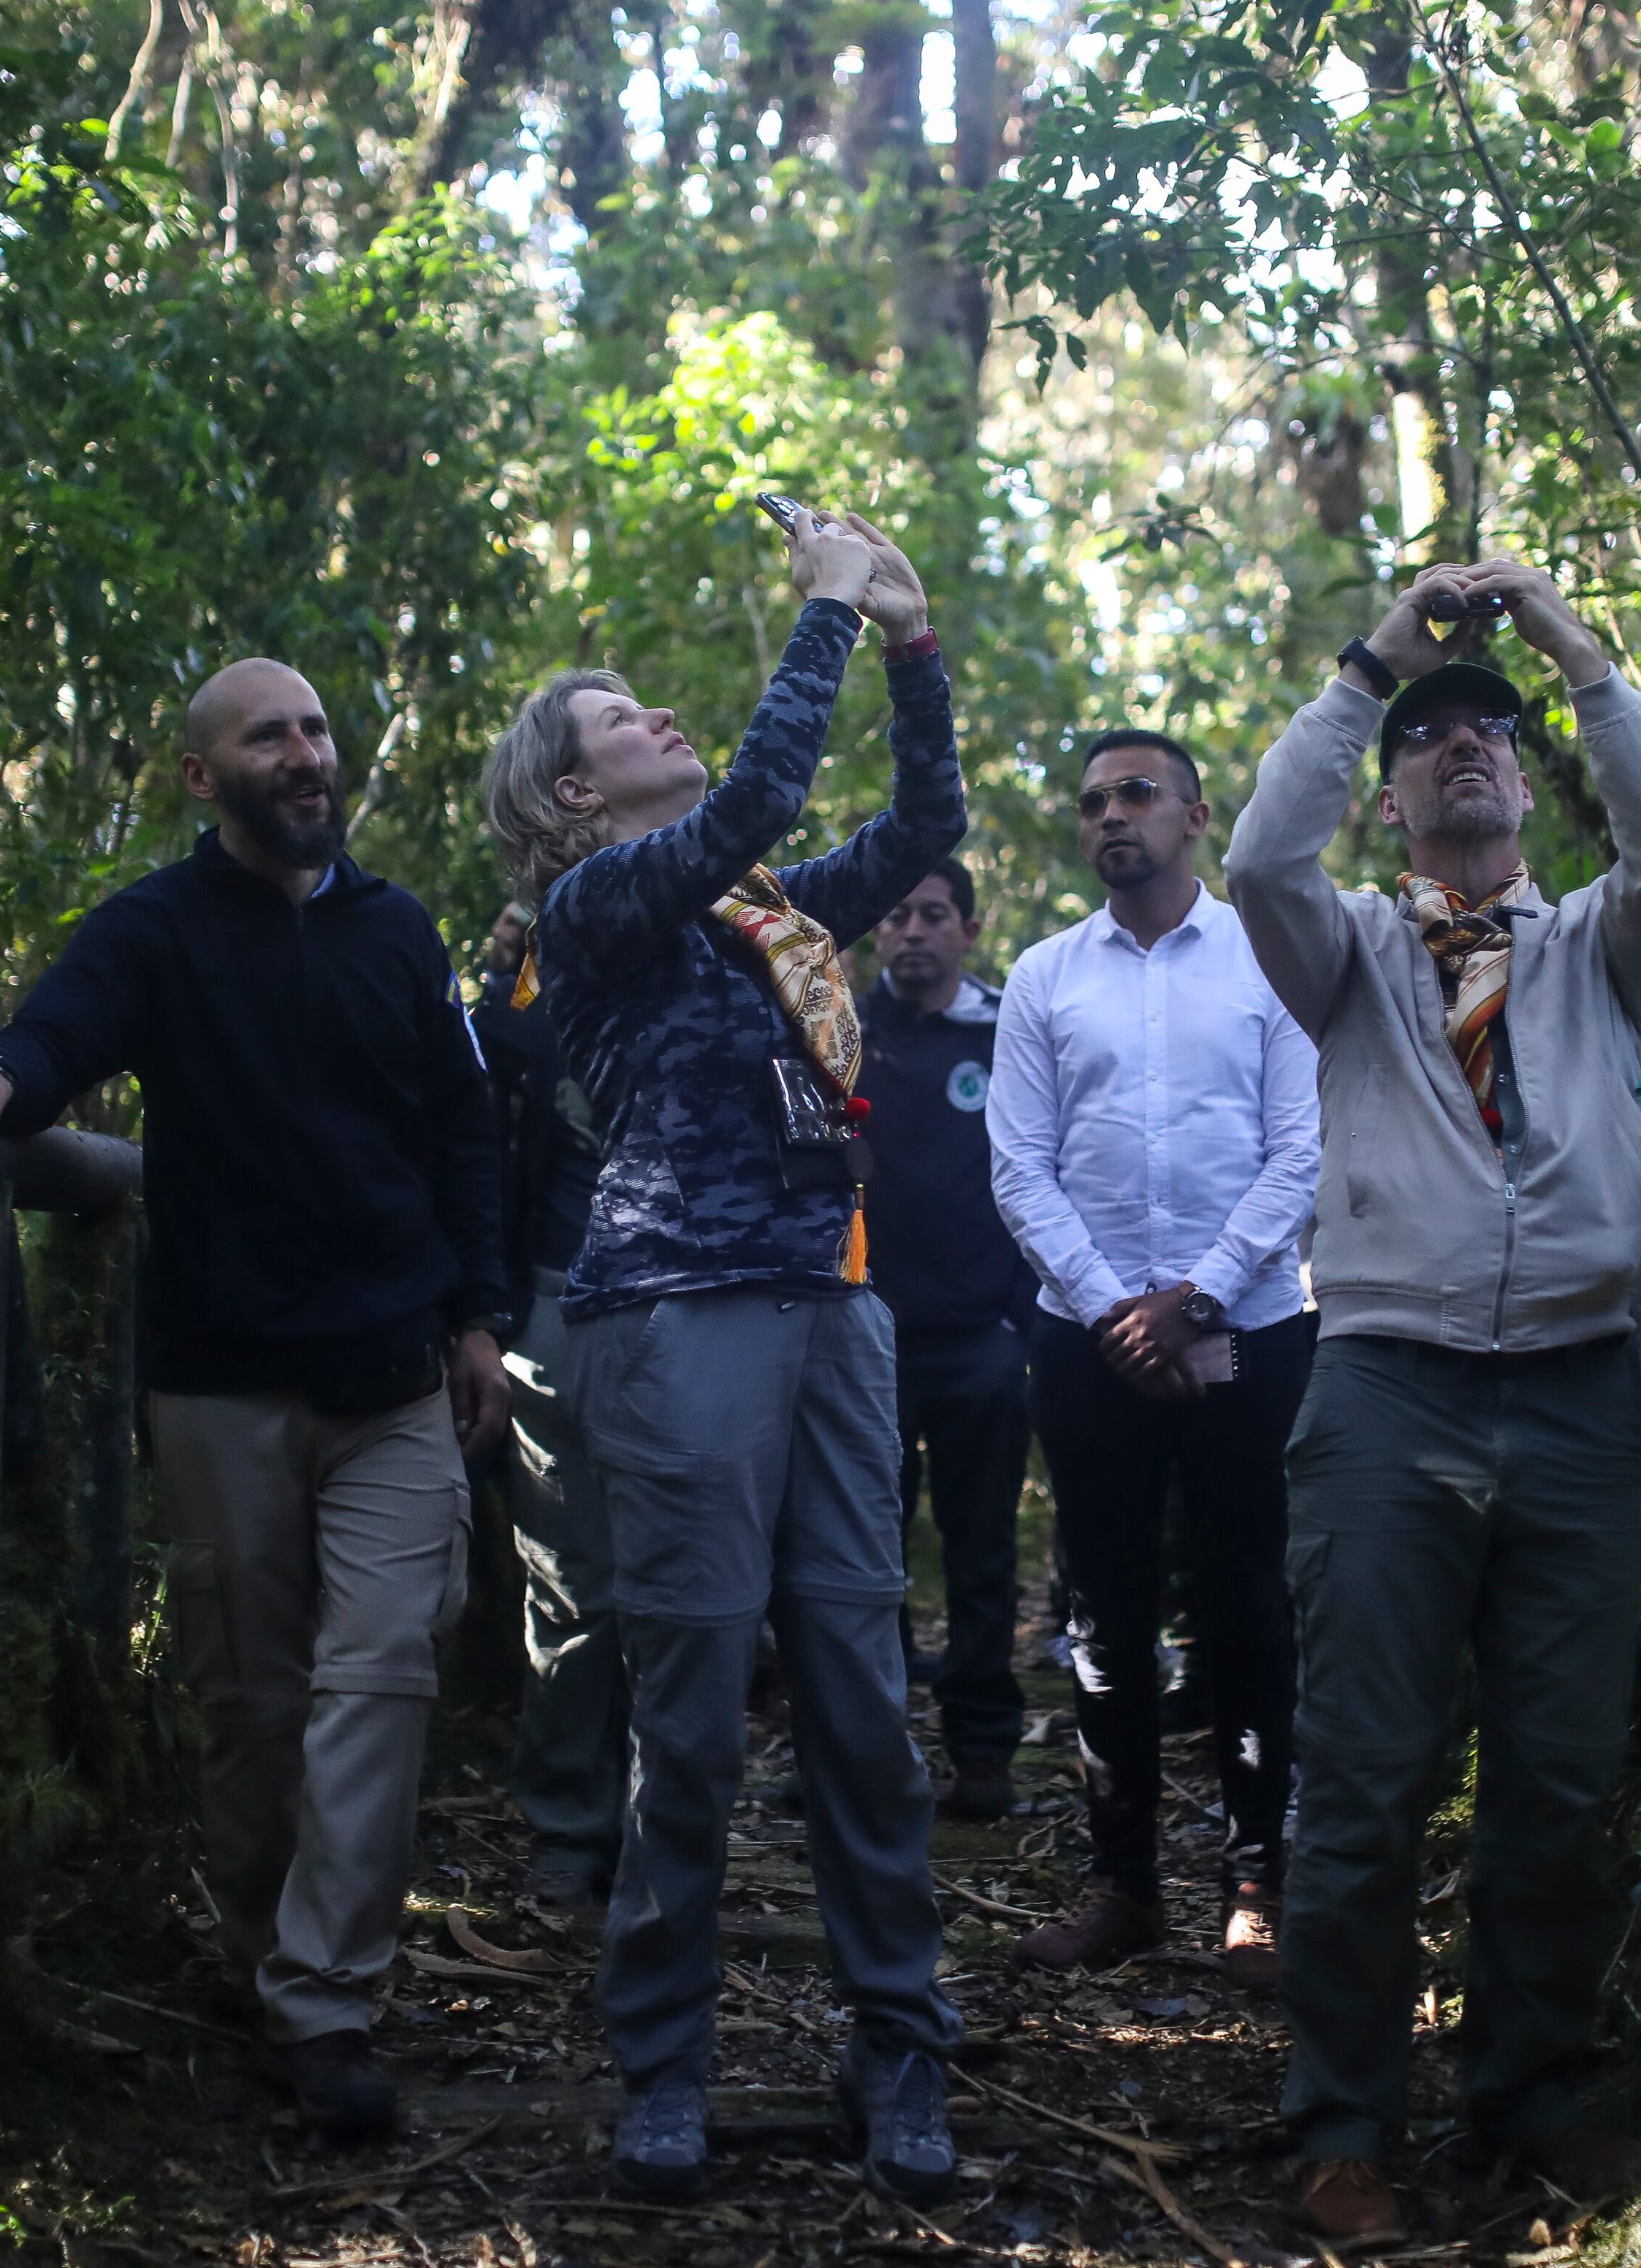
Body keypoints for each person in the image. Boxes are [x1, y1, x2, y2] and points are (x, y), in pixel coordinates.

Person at [0, 658, 515, 2148]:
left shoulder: (399, 930)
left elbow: (459, 1130)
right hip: (223, 1375)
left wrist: (479, 1313)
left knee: (380, 1679)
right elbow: (55, 1033)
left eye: (314, 731)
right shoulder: (155, 929)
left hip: (394, 1376)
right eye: (267, 736)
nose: (304, 755)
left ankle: (325, 2000)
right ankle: (260, 1953)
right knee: (249, 1703)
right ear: (201, 775)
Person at [1224, 563, 1641, 2241]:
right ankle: (1344, 2119)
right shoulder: (1349, 951)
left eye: (1484, 740)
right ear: (1394, 793)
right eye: (1429, 740)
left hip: (1578, 1391)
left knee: (1561, 1779)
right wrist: (1376, 657)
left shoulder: (1598, 943)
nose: (1458, 753)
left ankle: (1530, 2095)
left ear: (1522, 787)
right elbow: (1254, 858)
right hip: (1385, 1387)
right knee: (1362, 1772)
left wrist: (1573, 646)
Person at [478, 506, 965, 2207]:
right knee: (685, 1715)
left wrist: (906, 641)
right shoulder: (601, 902)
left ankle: (899, 2048)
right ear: (570, 792)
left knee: (858, 1700)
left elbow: (918, 828)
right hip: (674, 1318)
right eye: (621, 721)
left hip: (835, 1313)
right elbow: (757, 791)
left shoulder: (766, 914)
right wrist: (822, 611)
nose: (657, 720)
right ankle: (663, 2062)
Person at [986, 726, 1321, 1993]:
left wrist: (1199, 1297)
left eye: (1136, 794)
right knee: (1105, 1619)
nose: (1110, 816)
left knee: (1249, 1606)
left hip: (1255, 1329)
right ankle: (1121, 1883)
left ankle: (1258, 1886)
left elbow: (1302, 1145)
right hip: (1085, 1343)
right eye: (1091, 803)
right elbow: (1021, 1164)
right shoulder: (1044, 977)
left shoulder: (1270, 955)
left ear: (1193, 812)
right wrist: (1116, 1309)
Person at [857, 857, 1038, 1823]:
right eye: (897, 914)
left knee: (980, 1554)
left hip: (981, 1339)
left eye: (935, 914)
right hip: (867, 1339)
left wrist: (1019, 1313)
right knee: (860, 1556)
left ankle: (982, 1750)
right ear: (876, 931)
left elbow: (1045, 1163)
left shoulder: (1008, 1027)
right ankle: (867, 1752)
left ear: (968, 930)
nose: (914, 929)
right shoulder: (836, 1029)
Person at [469, 902, 625, 1922]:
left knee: (697, 1581)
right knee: (572, 1579)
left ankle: (675, 1829)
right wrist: (478, 1319)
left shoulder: (725, 916)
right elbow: (475, 1137)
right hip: (560, 1288)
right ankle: (571, 1828)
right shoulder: (525, 963)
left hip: (703, 1289)